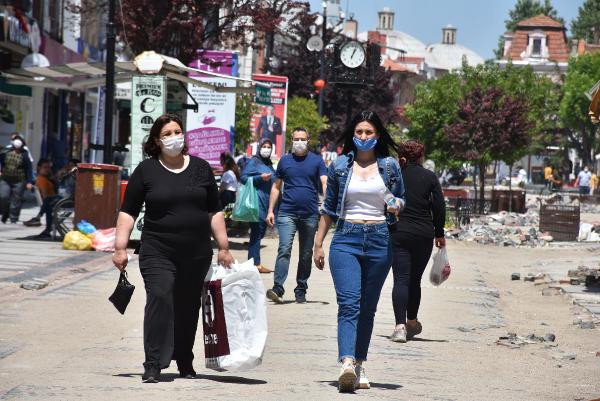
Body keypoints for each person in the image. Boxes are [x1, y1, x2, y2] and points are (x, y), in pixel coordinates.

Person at [112, 114, 233, 383]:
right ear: (157, 140)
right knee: (160, 296)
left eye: (177, 131)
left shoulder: (201, 168)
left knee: (188, 306)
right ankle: (153, 362)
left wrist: (223, 246)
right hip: (157, 249)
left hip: (196, 252)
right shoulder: (146, 170)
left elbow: (214, 210)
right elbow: (128, 212)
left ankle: (184, 359)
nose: (173, 137)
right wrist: (120, 247)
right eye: (166, 133)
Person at [313, 111, 405, 392]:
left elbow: (402, 199)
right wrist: (318, 243)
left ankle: (361, 362)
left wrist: (396, 206)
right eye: (359, 132)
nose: (363, 137)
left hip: (379, 239)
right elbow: (329, 207)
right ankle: (347, 363)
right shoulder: (341, 165)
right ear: (352, 134)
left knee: (367, 308)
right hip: (346, 239)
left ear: (378, 135)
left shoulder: (389, 166)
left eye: (369, 132)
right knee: (349, 303)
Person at [389, 140, 446, 343]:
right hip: (423, 234)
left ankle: (399, 327)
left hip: (399, 232)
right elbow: (439, 207)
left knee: (401, 279)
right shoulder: (429, 177)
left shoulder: (395, 176)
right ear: (421, 157)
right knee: (415, 280)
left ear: (401, 157)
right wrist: (439, 233)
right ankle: (412, 321)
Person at [265, 127, 327, 304]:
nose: (299, 142)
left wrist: (327, 200)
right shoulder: (284, 161)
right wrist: (270, 210)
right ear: (291, 140)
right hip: (287, 212)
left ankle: (301, 288)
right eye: (296, 139)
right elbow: (276, 187)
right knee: (284, 248)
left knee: (306, 254)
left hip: (310, 214)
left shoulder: (317, 161)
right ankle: (278, 287)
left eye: (303, 139)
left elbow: (324, 181)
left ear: (308, 140)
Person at [240, 138, 276, 274]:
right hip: (257, 203)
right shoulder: (254, 161)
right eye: (264, 146)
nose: (266, 149)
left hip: (267, 204)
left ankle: (253, 262)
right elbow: (243, 178)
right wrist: (260, 178)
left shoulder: (269, 163)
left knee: (259, 233)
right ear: (259, 147)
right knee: (257, 232)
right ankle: (255, 263)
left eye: (269, 147)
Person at [0, 134, 34, 223]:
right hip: (5, 179)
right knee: (4, 196)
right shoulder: (6, 151)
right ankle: (5, 213)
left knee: (16, 199)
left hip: (19, 180)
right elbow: (1, 161)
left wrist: (29, 181)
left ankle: (13, 218)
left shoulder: (25, 154)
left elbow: (29, 168)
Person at [24, 159, 61, 237]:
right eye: (45, 167)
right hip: (53, 201)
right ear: (39, 168)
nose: (48, 169)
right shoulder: (41, 179)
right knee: (48, 202)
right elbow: (45, 196)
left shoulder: (47, 178)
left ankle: (39, 218)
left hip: (52, 201)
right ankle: (40, 219)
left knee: (49, 203)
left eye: (48, 167)